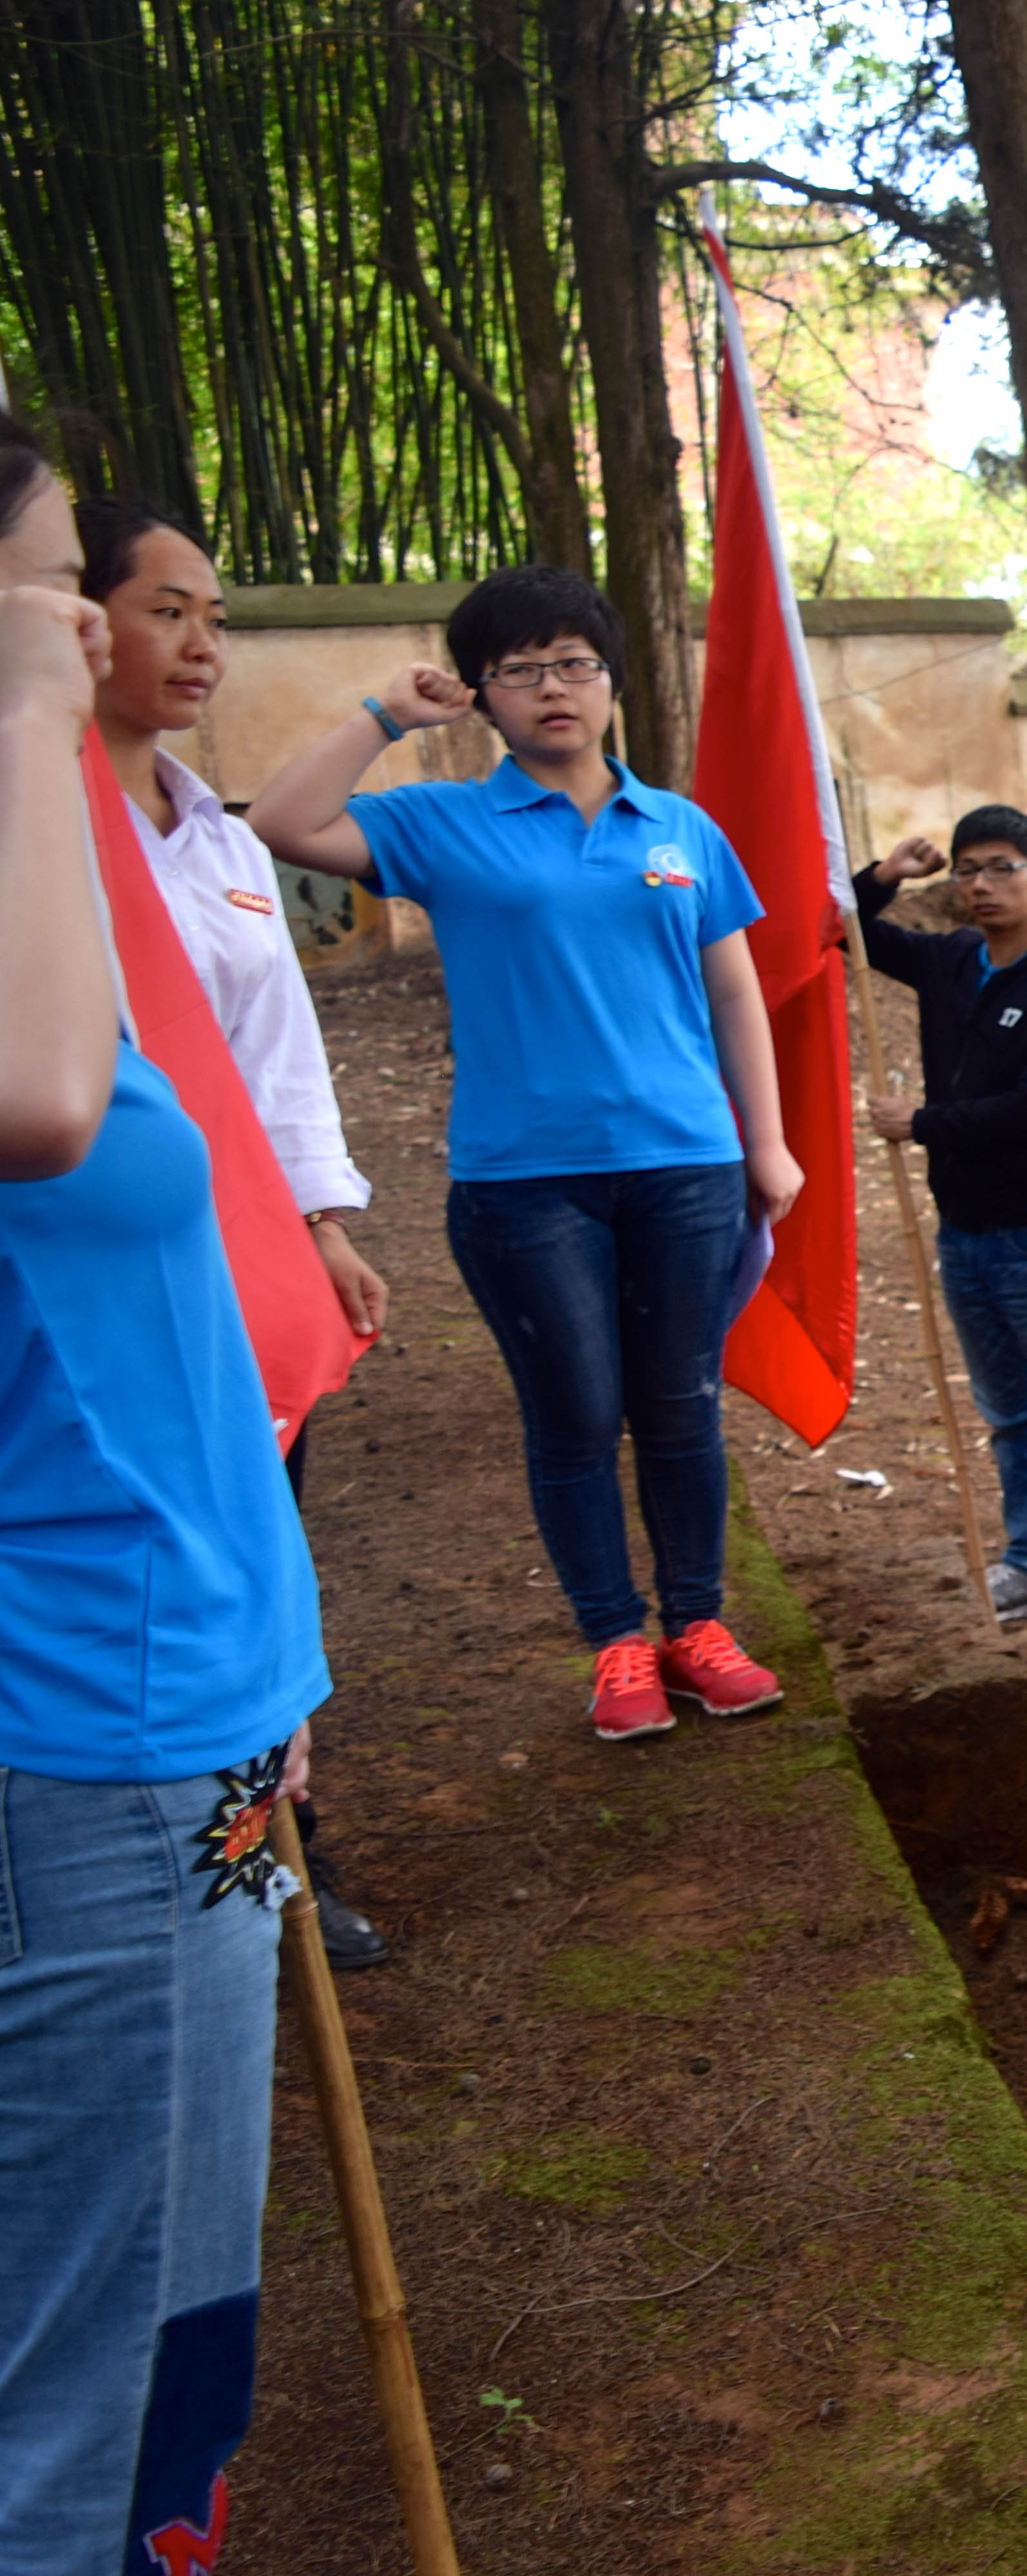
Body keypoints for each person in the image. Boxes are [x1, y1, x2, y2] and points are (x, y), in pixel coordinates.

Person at [0, 555, 332, 2574]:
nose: (89, 630)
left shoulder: (82, 866)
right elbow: (47, 1114)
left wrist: (271, 1670)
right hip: (86, 1716)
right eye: (57, 585)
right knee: (87, 2355)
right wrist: (29, 721)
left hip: (194, 1705)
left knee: (175, 2308)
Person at [248, 562, 798, 1743]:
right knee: (575, 1413)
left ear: (611, 682)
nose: (554, 688)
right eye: (521, 669)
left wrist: (768, 1143)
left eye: (576, 664)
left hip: (686, 1166)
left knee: (680, 1404)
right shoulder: (440, 823)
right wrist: (385, 716)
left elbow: (734, 993)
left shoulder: (682, 829)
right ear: (483, 695)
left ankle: (698, 1626)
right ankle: (616, 1643)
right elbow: (281, 825)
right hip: (524, 1182)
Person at [72, 492, 394, 1970]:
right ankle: (137, 1873)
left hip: (240, 1262)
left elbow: (277, 1060)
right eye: (165, 611)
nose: (201, 644)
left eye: (215, 618)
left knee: (264, 1553)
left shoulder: (219, 839)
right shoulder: (39, 828)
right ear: (75, 619)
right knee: (143, 1569)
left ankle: (275, 1849)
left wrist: (321, 1224)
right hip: (100, 1271)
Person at [856, 813, 1027, 1634]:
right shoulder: (949, 960)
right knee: (1011, 1413)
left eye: (1002, 868)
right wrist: (887, 874)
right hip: (964, 1230)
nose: (981, 885)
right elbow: (841, 930)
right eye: (967, 870)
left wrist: (922, 1123)